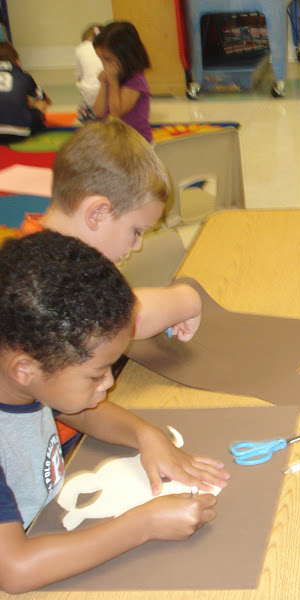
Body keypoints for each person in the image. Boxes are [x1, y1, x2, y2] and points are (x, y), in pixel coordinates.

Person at [0, 231, 229, 594]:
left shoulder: (26, 376)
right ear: (25, 369)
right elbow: (14, 569)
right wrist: (143, 525)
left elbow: (77, 409)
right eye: (95, 374)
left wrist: (146, 435)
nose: (108, 384)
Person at [19, 120, 202, 450]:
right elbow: (135, 316)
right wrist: (188, 298)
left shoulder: (40, 248)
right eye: (136, 231)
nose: (137, 246)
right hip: (60, 449)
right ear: (97, 214)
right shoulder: (43, 276)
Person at [92, 21, 153, 143]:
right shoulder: (113, 76)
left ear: (125, 56)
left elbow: (117, 112)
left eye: (108, 59)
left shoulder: (136, 80)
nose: (104, 65)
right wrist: (104, 84)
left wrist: (113, 81)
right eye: (101, 59)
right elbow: (99, 111)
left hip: (138, 142)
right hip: (117, 141)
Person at [0, 42, 51, 144]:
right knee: (40, 102)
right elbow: (43, 97)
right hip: (20, 133)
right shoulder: (23, 76)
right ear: (17, 61)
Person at [75, 24, 104, 120]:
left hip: (88, 91)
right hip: (105, 90)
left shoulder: (79, 49)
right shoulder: (106, 48)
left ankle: (89, 115)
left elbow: (79, 76)